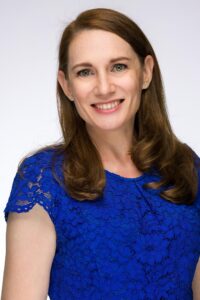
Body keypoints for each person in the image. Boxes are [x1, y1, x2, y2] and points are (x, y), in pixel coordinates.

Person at [1, 7, 200, 300]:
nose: (104, 87)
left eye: (118, 66)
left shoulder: (185, 168)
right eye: (85, 72)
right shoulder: (44, 180)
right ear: (66, 85)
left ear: (145, 72)